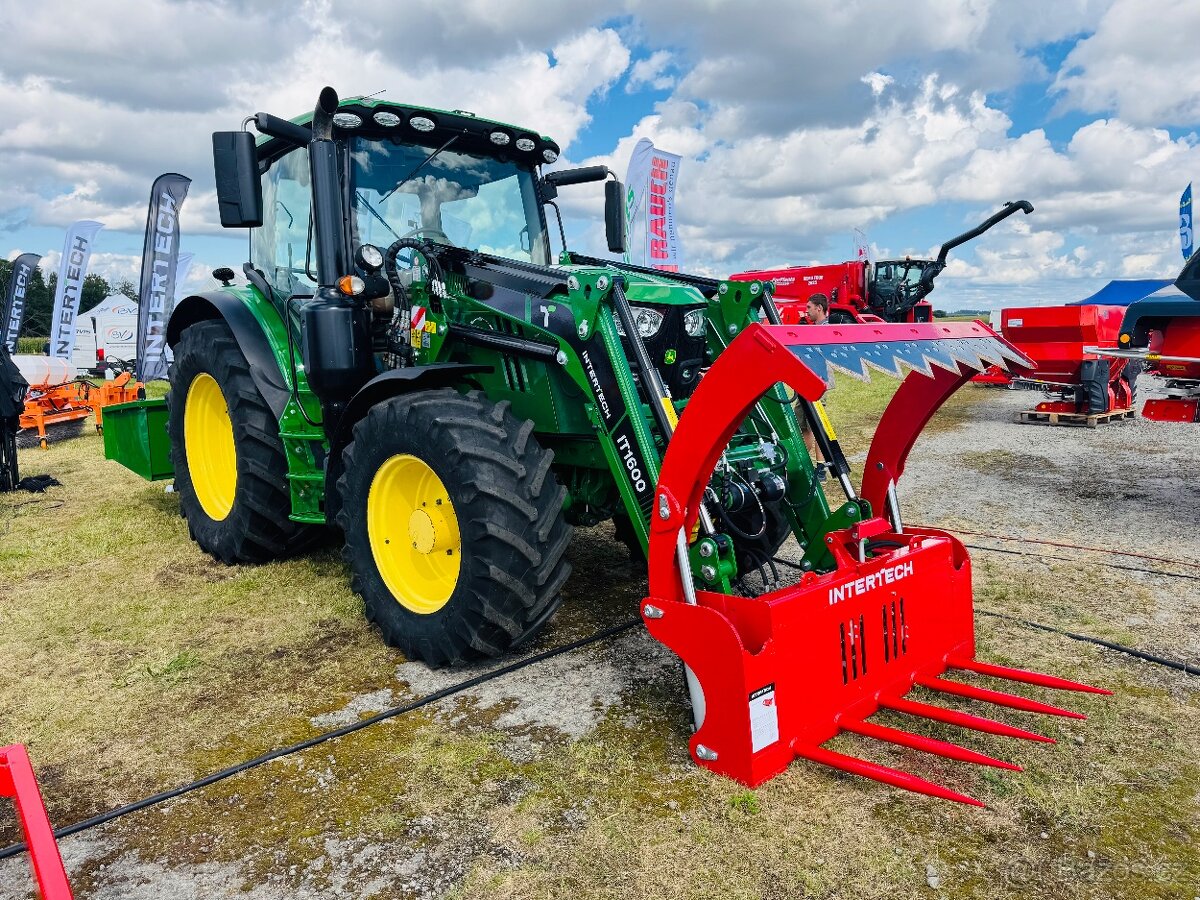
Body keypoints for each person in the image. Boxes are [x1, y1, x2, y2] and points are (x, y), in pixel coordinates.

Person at [799, 293, 831, 463]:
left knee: (817, 426)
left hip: (818, 383)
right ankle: (803, 463)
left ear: (819, 308)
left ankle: (821, 466)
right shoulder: (813, 329)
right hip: (805, 382)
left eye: (809, 307)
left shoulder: (826, 330)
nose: (807, 311)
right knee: (804, 426)